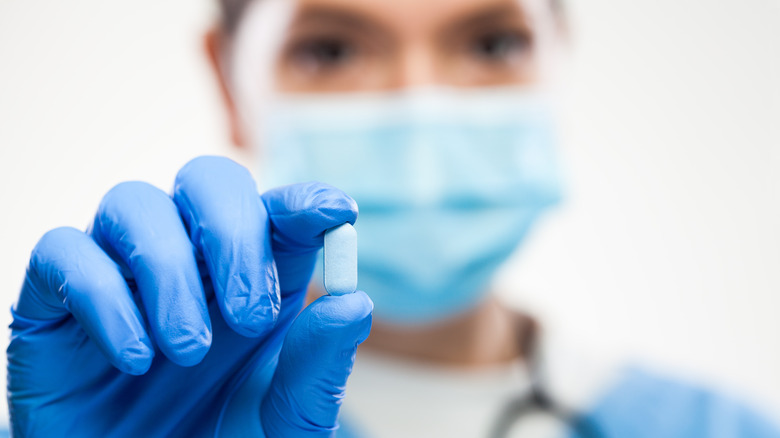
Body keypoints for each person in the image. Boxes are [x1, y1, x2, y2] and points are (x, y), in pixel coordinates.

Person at [6, 0, 780, 437]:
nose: (422, 109)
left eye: (492, 41)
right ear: (228, 79)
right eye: (332, 51)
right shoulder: (125, 412)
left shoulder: (715, 429)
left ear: (556, 61)